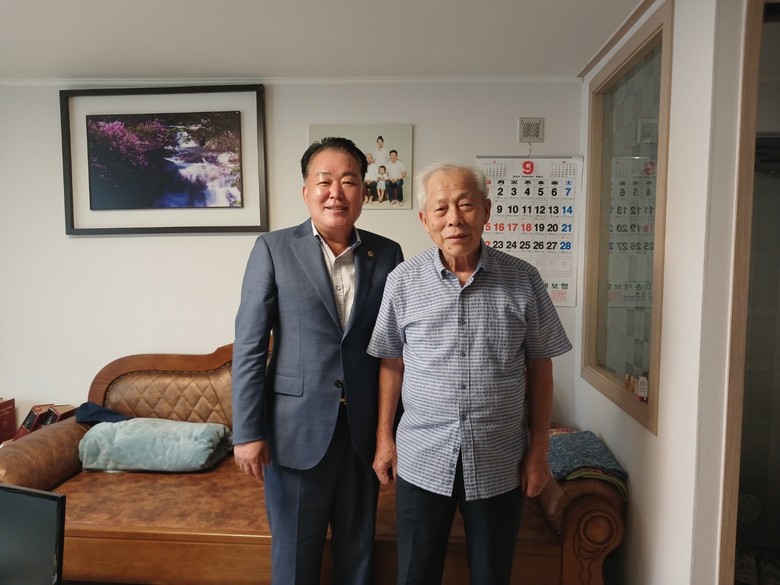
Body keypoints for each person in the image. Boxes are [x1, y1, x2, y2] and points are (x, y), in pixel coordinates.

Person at [368, 161, 571, 585]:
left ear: (486, 210)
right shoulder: (402, 281)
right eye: (441, 208)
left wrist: (539, 450)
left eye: (465, 204)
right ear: (425, 220)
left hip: (500, 459)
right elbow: (391, 362)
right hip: (422, 456)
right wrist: (384, 438)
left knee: (492, 575)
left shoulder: (524, 279)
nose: (454, 219)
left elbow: (540, 366)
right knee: (415, 575)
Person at [232, 136, 404, 585]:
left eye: (349, 181)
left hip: (362, 433)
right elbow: (249, 346)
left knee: (357, 555)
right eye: (324, 181)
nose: (336, 192)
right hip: (295, 431)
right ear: (306, 190)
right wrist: (247, 431)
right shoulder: (273, 249)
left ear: (364, 192)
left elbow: (394, 349)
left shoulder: (387, 254)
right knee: (294, 559)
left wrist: (390, 433)